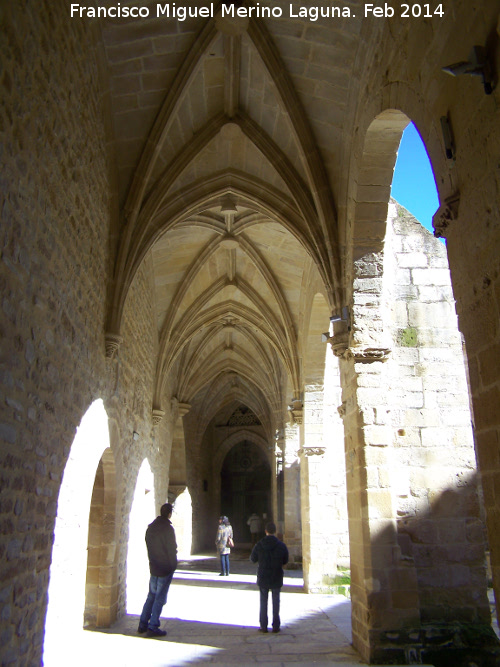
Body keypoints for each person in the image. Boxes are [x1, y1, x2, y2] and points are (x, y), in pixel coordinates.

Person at [138, 503, 177, 638]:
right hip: (165, 568)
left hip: (154, 566)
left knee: (151, 596)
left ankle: (143, 623)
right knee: (159, 598)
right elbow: (172, 549)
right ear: (169, 514)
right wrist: (173, 565)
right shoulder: (168, 529)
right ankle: (153, 626)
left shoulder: (151, 528)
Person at [250, 521, 289, 633]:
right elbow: (285, 560)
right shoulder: (281, 546)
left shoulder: (259, 545)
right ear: (275, 531)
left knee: (263, 601)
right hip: (276, 575)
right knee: (276, 601)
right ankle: (276, 626)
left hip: (263, 576)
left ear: (265, 531)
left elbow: (253, 559)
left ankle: (263, 626)